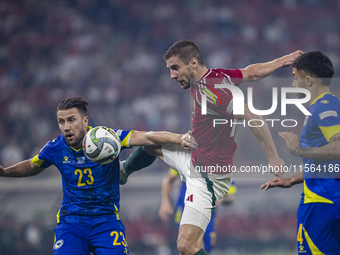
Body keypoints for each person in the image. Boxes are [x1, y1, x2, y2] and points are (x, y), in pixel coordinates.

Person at [120, 40, 303, 255]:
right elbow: (251, 72)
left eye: (175, 68)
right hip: (193, 156)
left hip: (206, 177)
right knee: (150, 142)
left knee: (187, 247)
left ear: (193, 63)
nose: (172, 75)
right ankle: (122, 171)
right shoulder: (217, 75)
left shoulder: (212, 91)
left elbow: (252, 116)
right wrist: (282, 61)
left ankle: (123, 170)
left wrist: (273, 157)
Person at [0, 96, 194, 255]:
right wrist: (5, 172)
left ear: (85, 121)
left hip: (106, 220)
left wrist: (180, 138)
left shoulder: (106, 137)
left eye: (71, 120)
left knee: (150, 146)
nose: (66, 126)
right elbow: (32, 166)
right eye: (61, 121)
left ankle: (124, 170)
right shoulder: (55, 147)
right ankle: (121, 170)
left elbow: (148, 137)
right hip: (71, 223)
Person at [261, 51, 340, 254]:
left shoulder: (324, 107)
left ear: (309, 79)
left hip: (321, 202)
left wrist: (299, 150)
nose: (293, 83)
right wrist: (293, 180)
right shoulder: (330, 105)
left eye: (295, 77)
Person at [158, 167, 237, 253]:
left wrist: (220, 199)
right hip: (185, 210)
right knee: (187, 245)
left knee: (202, 249)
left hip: (208, 216)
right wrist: (165, 201)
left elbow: (230, 197)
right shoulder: (187, 157)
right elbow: (168, 179)